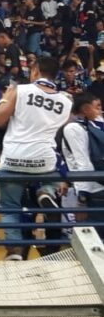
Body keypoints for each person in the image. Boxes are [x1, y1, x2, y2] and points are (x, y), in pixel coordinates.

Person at [0, 56, 73, 260]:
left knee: (10, 208)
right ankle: (46, 192)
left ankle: (15, 253)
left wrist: (6, 98)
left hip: (13, 158)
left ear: (35, 71)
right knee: (52, 176)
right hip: (43, 159)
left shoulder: (20, 90)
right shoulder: (66, 101)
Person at [61, 93, 104, 237]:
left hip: (92, 191)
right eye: (97, 107)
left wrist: (82, 200)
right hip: (96, 186)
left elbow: (83, 165)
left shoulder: (75, 128)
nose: (100, 111)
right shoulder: (85, 126)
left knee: (91, 240)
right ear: (85, 109)